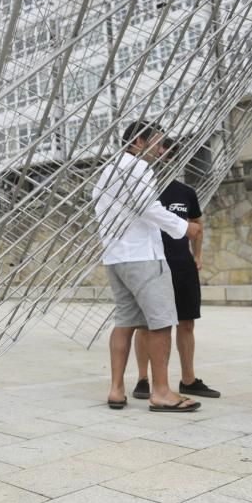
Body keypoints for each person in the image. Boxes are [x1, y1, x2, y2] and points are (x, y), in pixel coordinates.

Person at [93, 120, 203, 412]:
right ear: (139, 143)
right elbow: (147, 206)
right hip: (143, 256)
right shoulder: (137, 167)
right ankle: (162, 392)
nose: (162, 148)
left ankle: (116, 390)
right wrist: (184, 227)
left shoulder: (108, 170)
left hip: (116, 257)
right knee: (161, 322)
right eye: (158, 141)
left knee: (125, 322)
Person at [132, 139, 220, 400]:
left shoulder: (185, 192)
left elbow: (197, 225)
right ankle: (143, 379)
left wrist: (198, 255)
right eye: (161, 154)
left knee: (187, 323)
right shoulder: (142, 190)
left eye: (170, 156)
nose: (165, 160)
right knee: (146, 324)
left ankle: (188, 379)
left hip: (182, 266)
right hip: (152, 264)